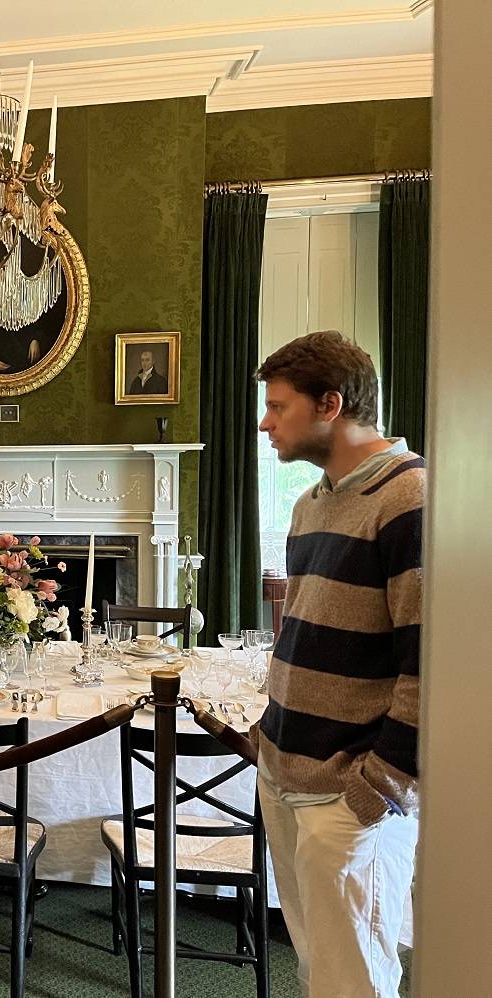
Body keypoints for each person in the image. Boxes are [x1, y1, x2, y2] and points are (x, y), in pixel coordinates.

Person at [253, 330, 422, 998]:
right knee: (317, 973)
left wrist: (374, 789)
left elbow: (430, 668)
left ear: (329, 404)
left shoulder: (408, 499)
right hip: (285, 773)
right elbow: (304, 635)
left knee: (353, 983)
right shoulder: (309, 504)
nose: (265, 422)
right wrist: (267, 737)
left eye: (278, 406)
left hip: (349, 797)